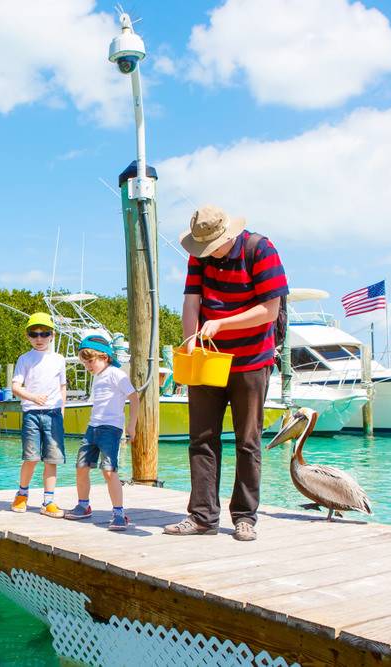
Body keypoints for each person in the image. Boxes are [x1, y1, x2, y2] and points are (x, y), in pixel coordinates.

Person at [165, 204, 288, 542]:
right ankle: (203, 516)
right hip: (206, 360)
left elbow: (269, 310)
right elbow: (192, 302)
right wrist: (191, 339)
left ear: (228, 236)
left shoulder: (260, 250)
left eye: (209, 247)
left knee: (247, 441)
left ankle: (245, 516)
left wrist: (221, 323)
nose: (202, 253)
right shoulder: (199, 256)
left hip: (251, 360)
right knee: (201, 438)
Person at [65, 334, 139, 530]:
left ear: (104, 357)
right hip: (93, 428)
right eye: (84, 363)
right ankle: (83, 505)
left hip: (110, 429)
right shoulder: (97, 377)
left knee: (108, 471)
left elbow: (134, 397)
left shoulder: (116, 374)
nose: (87, 366)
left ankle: (119, 513)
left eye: (90, 361)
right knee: (81, 467)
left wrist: (131, 425)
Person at [10, 312, 67, 518]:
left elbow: (62, 387)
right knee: (31, 457)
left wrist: (62, 410)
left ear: (52, 335)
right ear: (28, 336)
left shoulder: (59, 359)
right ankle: (22, 494)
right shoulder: (24, 359)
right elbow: (15, 387)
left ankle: (48, 500)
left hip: (53, 414)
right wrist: (33, 397)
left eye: (44, 334)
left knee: (52, 459)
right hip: (31, 414)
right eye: (34, 334)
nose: (39, 338)